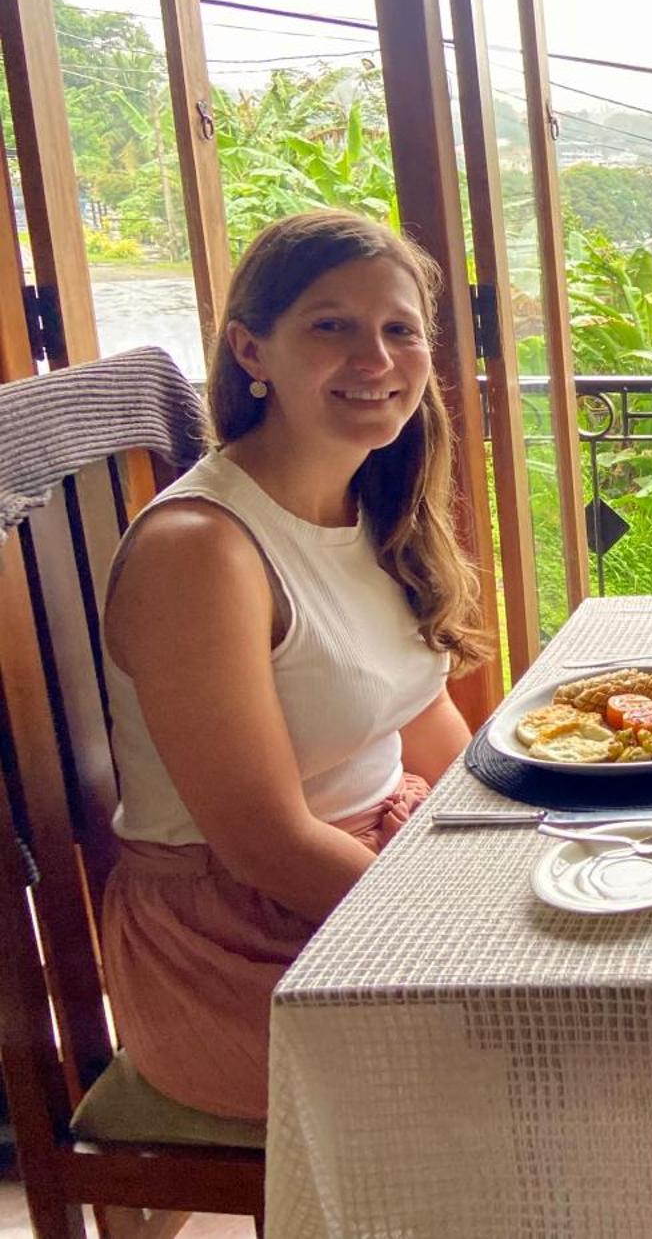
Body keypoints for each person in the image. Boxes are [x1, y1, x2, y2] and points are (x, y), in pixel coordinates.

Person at [99, 209, 489, 1120]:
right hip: (237, 941)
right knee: (573, 1051)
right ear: (252, 351)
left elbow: (428, 725)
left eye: (400, 331)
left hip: (364, 871)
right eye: (331, 326)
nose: (376, 358)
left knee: (621, 995)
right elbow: (264, 845)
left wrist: (508, 855)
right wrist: (465, 941)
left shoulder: (374, 511)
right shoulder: (201, 550)